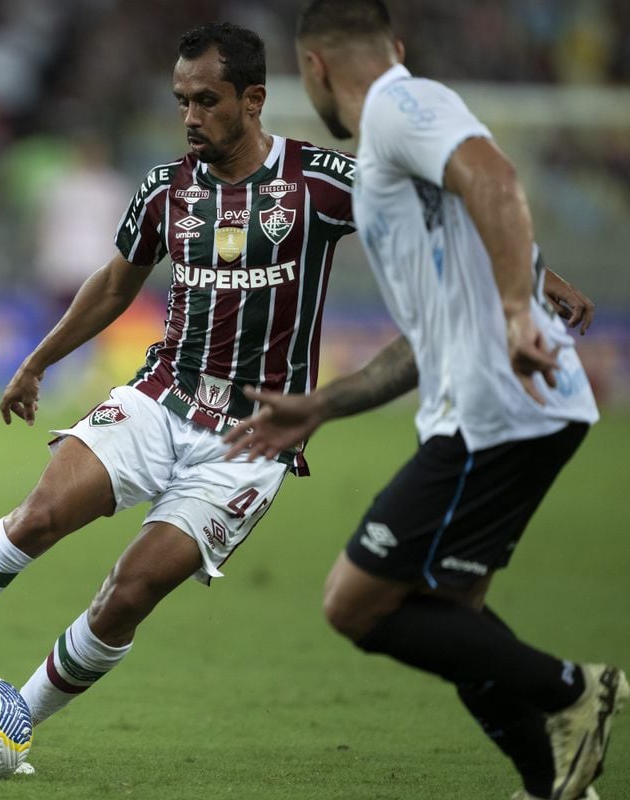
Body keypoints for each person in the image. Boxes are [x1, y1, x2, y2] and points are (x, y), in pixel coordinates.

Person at [0, 20, 370, 758]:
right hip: (163, 394)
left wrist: (524, 273)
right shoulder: (167, 189)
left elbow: (438, 217)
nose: (190, 117)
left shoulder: (319, 185)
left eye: (207, 101)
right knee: (40, 514)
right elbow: (117, 283)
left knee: (129, 594)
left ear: (254, 99)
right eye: (181, 100)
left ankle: (9, 729)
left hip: (253, 443)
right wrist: (37, 362)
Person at [223, 2, 626, 798]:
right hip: (501, 407)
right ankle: (551, 785)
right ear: (395, 46)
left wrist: (519, 306)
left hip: (496, 414)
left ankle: (574, 691)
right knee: (451, 612)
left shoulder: (403, 105)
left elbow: (495, 176)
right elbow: (424, 333)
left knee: (355, 603)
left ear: (315, 70)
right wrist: (324, 404)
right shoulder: (399, 142)